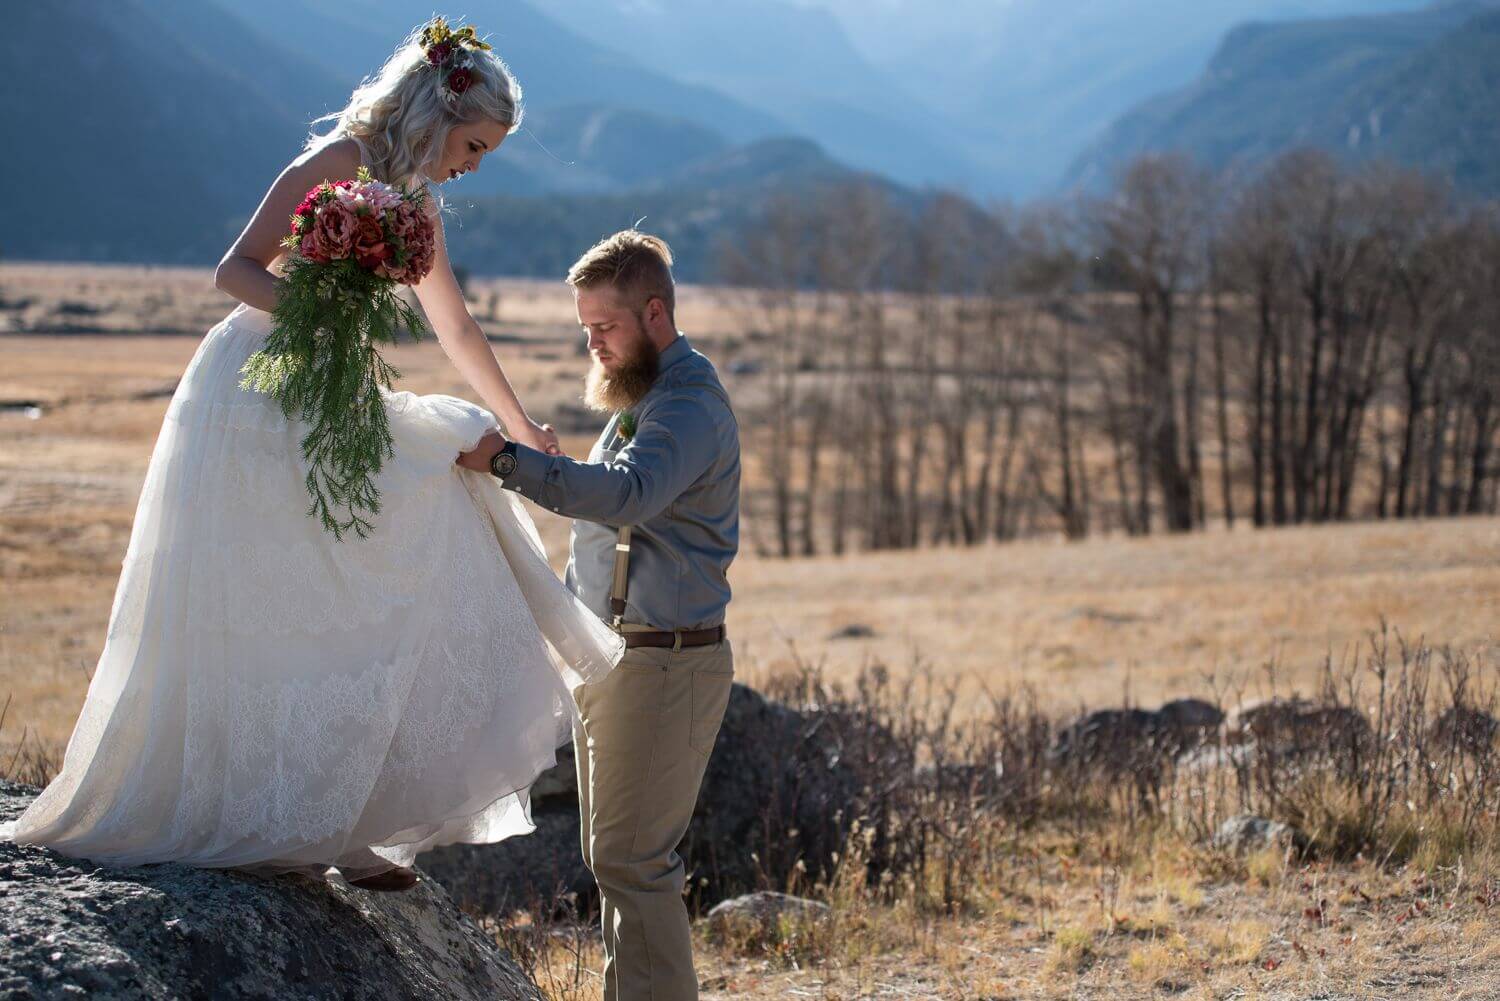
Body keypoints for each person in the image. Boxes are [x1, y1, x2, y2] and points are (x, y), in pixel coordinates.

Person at [1, 19, 622, 892]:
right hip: (252, 389)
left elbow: (455, 325)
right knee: (274, 595)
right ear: (437, 116)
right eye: (475, 145)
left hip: (329, 392)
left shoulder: (416, 202)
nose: (475, 165)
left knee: (432, 499)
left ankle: (353, 816)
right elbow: (235, 270)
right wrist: (317, 309)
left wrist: (519, 428)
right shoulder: (338, 161)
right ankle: (282, 811)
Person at [458, 230, 740, 1001]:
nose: (594, 345)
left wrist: (514, 466)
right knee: (615, 859)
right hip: (620, 660)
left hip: (666, 662)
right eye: (586, 330)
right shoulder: (644, 400)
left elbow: (627, 497)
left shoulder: (686, 407)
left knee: (633, 862)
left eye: (605, 328)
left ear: (654, 314)